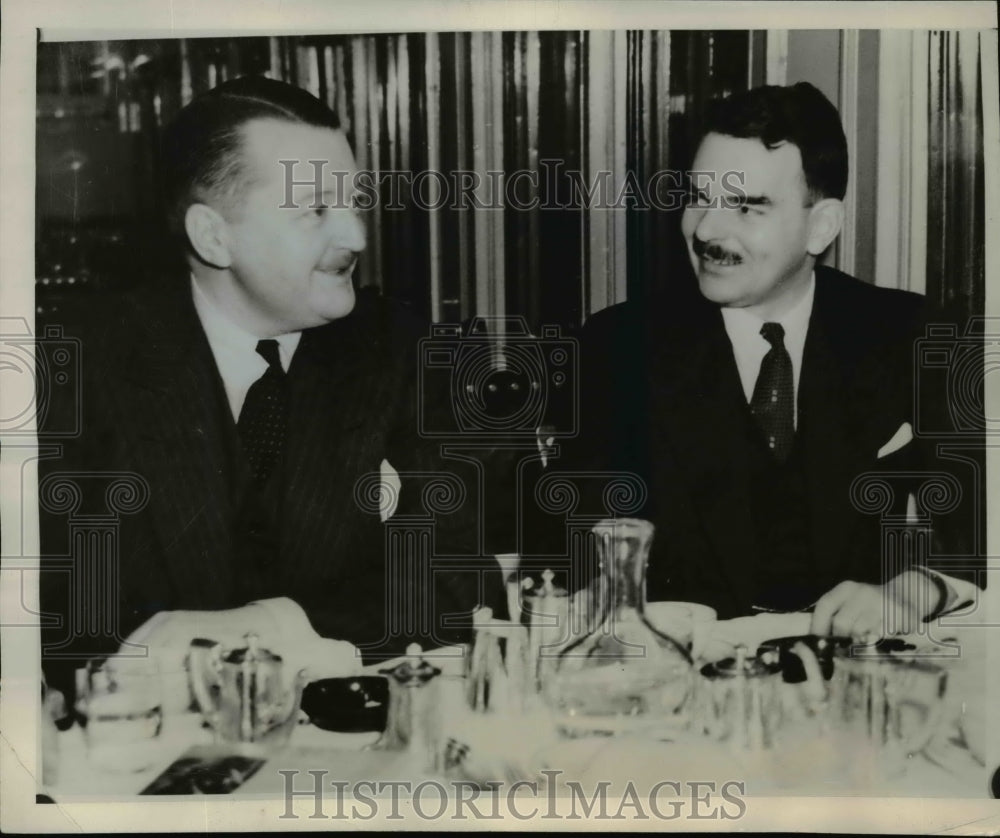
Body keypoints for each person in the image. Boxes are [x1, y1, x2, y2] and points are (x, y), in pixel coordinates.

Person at [38, 76, 488, 698]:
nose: (356, 237)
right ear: (214, 237)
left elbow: (457, 590)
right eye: (315, 211)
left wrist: (268, 626)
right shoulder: (76, 373)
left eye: (353, 203)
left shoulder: (406, 353)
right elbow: (51, 620)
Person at [563, 82, 983, 639]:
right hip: (685, 679)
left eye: (746, 205)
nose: (707, 230)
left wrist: (913, 591)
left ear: (821, 226)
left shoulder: (913, 333)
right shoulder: (618, 345)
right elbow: (571, 537)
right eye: (699, 198)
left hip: (856, 678)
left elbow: (981, 518)